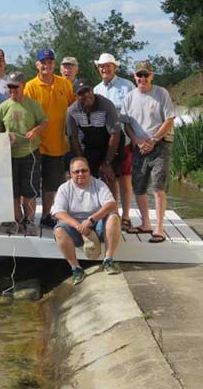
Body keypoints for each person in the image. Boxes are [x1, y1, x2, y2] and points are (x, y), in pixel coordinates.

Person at [122, 61, 175, 243]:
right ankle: (146, 224)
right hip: (139, 147)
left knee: (158, 187)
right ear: (134, 77)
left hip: (160, 145)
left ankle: (159, 229)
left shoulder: (161, 93)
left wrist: (153, 140)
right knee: (139, 186)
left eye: (146, 75)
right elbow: (127, 124)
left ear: (152, 76)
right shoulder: (129, 97)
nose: (142, 78)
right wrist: (137, 141)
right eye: (139, 75)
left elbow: (169, 120)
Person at [0, 72, 48, 236]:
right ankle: (16, 220)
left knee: (29, 189)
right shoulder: (3, 107)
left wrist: (35, 131)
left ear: (23, 86)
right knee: (12, 190)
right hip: (9, 155)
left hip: (30, 152)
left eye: (15, 86)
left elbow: (44, 121)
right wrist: (4, 137)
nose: (12, 89)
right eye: (9, 86)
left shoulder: (33, 104)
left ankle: (29, 221)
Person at [24, 49, 75, 228]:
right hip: (35, 142)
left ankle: (47, 214)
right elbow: (26, 113)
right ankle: (28, 217)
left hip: (57, 142)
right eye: (42, 62)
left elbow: (72, 107)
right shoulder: (30, 86)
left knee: (52, 183)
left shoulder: (65, 84)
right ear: (37, 65)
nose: (46, 65)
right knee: (31, 181)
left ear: (55, 64)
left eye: (50, 62)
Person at [52, 157, 121, 285]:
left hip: (97, 226)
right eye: (76, 171)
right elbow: (58, 213)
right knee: (59, 230)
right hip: (76, 230)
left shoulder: (99, 184)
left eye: (84, 170)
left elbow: (111, 204)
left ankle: (108, 260)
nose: (80, 174)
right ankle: (76, 269)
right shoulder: (64, 188)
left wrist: (91, 220)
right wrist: (79, 226)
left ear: (89, 171)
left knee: (113, 217)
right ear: (70, 173)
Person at [93, 53, 136, 232]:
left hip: (124, 141)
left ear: (115, 67)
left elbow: (134, 115)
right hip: (106, 142)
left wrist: (134, 138)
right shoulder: (95, 90)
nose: (105, 69)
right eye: (102, 66)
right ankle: (112, 215)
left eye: (108, 65)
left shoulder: (127, 86)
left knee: (125, 179)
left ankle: (126, 216)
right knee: (108, 178)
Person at [67, 79, 122, 196]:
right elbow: (74, 138)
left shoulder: (106, 105)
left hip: (110, 143)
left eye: (88, 90)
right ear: (76, 96)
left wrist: (107, 162)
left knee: (109, 176)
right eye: (81, 93)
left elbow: (115, 134)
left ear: (92, 90)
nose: (86, 95)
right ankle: (90, 208)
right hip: (90, 144)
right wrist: (81, 160)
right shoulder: (72, 111)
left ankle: (112, 210)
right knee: (86, 176)